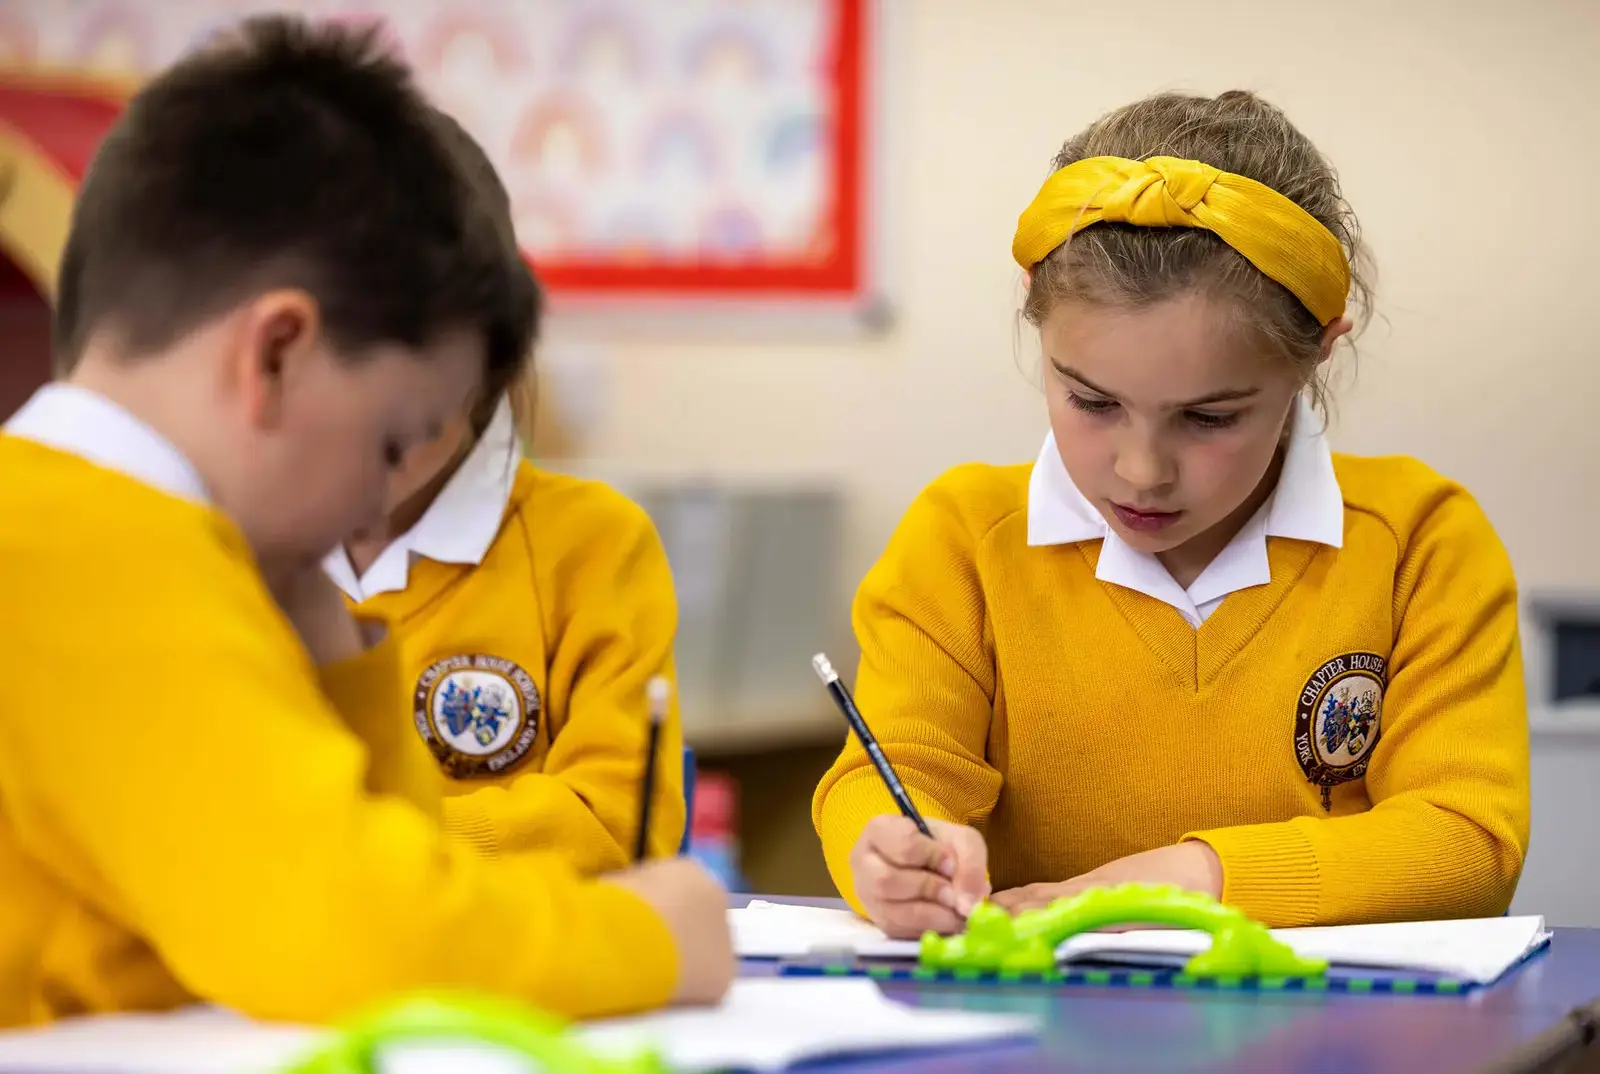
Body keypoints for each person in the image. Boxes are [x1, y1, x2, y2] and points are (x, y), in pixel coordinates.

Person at [0, 15, 731, 1027]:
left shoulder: (124, 533)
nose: (369, 508)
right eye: (392, 440)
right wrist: (655, 943)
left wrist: (321, 626)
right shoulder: (94, 547)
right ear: (275, 355)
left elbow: (364, 863)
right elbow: (364, 932)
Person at [812, 90, 1529, 937]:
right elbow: (892, 774)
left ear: (1316, 353)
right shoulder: (963, 539)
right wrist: (888, 849)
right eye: (1090, 401)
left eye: (1209, 418)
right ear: (1034, 308)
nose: (1140, 471)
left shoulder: (1421, 542)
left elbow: (1468, 840)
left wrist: (1182, 879)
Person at [323, 159, 684, 869]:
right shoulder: (234, 539)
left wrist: (371, 848)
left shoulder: (591, 544)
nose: (369, 424)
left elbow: (615, 821)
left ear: (491, 357)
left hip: (507, 967)